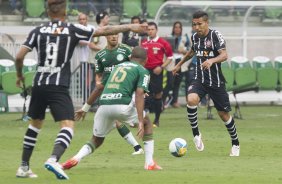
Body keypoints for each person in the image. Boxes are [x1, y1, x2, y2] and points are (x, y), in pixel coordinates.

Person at [15, 0, 147, 180]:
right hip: (58, 85)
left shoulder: (37, 31)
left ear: (47, 11)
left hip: (39, 83)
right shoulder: (72, 29)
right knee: (68, 125)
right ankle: (54, 159)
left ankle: (23, 166)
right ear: (65, 10)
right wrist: (132, 26)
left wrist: (19, 75)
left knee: (35, 125)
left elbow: (19, 56)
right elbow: (104, 31)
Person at [61, 46, 162, 171]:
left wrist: (85, 108)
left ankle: (76, 158)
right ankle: (149, 163)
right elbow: (140, 93)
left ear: (130, 57)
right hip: (121, 105)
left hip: (103, 106)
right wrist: (141, 121)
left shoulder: (118, 67)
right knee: (147, 123)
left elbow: (99, 87)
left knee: (96, 139)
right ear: (146, 60)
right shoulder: (142, 70)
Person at [172, 10, 240, 156]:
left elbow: (224, 55)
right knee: (191, 99)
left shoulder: (215, 35)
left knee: (224, 115)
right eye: (194, 24)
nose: (196, 27)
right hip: (199, 79)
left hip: (215, 82)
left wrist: (211, 60)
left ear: (207, 22)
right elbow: (191, 52)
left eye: (199, 24)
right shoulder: (195, 37)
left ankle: (235, 143)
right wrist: (179, 64)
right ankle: (196, 134)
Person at [75, 33, 144, 155]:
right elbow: (100, 77)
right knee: (117, 121)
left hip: (126, 92)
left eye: (116, 35)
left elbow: (137, 66)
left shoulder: (126, 50)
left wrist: (140, 86)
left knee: (120, 121)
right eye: (111, 35)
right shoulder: (100, 55)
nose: (114, 37)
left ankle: (140, 147)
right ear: (106, 37)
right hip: (109, 93)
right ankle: (138, 147)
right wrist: (97, 81)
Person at [141, 22, 173, 127]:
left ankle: (157, 120)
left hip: (157, 71)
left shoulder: (163, 43)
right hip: (146, 71)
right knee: (145, 94)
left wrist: (161, 67)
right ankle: (144, 119)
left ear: (156, 30)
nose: (150, 31)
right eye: (148, 29)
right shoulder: (144, 43)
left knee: (158, 95)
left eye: (152, 29)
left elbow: (170, 57)